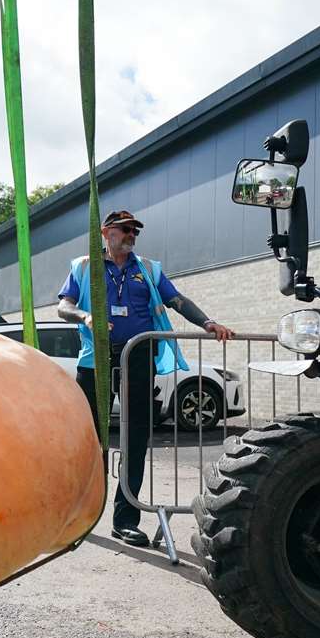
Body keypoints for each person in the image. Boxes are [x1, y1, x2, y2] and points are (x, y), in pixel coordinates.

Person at [56, 210, 234, 548]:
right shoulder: (83, 266)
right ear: (106, 232)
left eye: (135, 231)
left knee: (136, 437)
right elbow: (63, 307)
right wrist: (85, 316)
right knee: (89, 440)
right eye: (125, 230)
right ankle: (79, 517)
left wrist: (208, 323)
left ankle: (125, 520)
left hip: (139, 356)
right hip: (96, 361)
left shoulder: (148, 269)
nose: (132, 235)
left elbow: (177, 300)